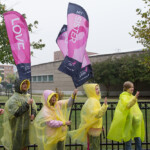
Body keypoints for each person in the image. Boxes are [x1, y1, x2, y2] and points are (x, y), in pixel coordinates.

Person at [68, 83, 108, 150]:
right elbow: (97, 115)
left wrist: (101, 126)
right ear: (91, 90)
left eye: (98, 88)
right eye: (96, 89)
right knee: (95, 147)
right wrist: (104, 106)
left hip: (93, 127)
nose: (98, 90)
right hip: (94, 129)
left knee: (92, 145)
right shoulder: (93, 101)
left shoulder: (92, 100)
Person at [107, 81, 145, 150]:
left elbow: (136, 109)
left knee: (138, 137)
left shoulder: (132, 96)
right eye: (130, 87)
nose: (132, 88)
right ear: (126, 88)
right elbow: (128, 105)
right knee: (128, 139)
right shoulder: (123, 96)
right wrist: (135, 98)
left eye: (133, 87)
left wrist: (138, 116)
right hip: (128, 121)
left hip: (135, 121)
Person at [1, 79, 37, 150]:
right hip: (17, 128)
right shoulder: (13, 99)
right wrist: (27, 104)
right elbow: (16, 113)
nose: (25, 85)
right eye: (23, 84)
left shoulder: (28, 97)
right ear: (19, 85)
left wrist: (33, 114)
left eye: (26, 83)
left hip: (26, 127)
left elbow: (33, 107)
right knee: (17, 146)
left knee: (25, 146)